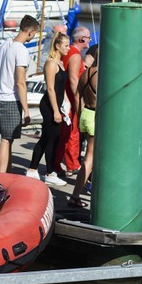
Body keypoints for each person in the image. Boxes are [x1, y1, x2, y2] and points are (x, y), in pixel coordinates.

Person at [0, 15, 39, 173]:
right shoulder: (21, 50)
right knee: (6, 140)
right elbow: (20, 82)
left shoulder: (4, 44)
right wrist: (26, 110)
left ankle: (7, 172)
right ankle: (1, 176)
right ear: (31, 32)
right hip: (10, 99)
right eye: (34, 34)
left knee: (7, 140)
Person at [26, 31, 70, 187]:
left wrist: (65, 102)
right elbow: (50, 89)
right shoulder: (51, 63)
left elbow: (60, 87)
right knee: (52, 139)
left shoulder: (61, 63)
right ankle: (50, 173)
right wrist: (56, 111)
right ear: (57, 46)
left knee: (46, 138)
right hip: (49, 105)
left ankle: (32, 169)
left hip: (57, 105)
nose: (68, 48)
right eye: (66, 45)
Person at [57, 26, 91, 176]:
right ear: (82, 39)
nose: (90, 40)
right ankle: (72, 164)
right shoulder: (75, 55)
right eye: (88, 38)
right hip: (71, 99)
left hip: (64, 97)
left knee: (66, 133)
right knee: (73, 132)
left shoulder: (68, 51)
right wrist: (79, 100)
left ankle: (61, 163)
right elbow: (73, 80)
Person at [69, 44, 99, 207]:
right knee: (89, 159)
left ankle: (84, 190)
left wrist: (80, 114)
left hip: (86, 114)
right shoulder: (101, 75)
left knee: (91, 157)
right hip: (95, 116)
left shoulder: (86, 72)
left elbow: (78, 94)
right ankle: (75, 196)